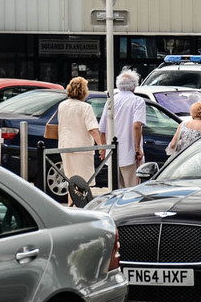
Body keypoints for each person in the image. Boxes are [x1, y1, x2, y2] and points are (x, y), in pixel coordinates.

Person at [57, 77, 102, 205]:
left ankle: (72, 206)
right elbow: (92, 129)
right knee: (84, 182)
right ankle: (82, 208)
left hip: (65, 146)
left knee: (70, 180)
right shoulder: (85, 107)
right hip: (82, 148)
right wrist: (101, 146)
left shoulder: (62, 105)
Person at [99, 67, 146, 188]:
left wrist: (103, 149)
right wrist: (138, 149)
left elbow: (102, 129)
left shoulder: (110, 101)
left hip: (112, 153)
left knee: (115, 190)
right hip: (130, 153)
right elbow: (136, 125)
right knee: (131, 189)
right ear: (134, 86)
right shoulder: (138, 101)